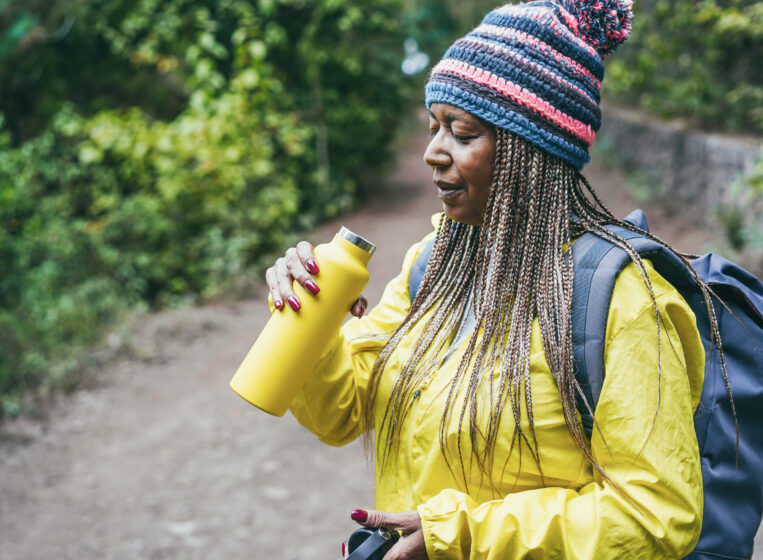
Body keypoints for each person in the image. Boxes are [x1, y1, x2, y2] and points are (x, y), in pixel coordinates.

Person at [265, 1, 707, 558]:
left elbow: (657, 515)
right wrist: (311, 319)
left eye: (462, 132)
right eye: (434, 127)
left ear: (531, 150)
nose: (432, 152)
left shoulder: (621, 299)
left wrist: (459, 536)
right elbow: (342, 411)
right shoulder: (434, 266)